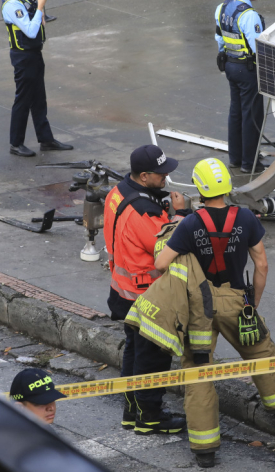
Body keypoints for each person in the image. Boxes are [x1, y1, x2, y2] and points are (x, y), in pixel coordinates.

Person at [154, 158, 275, 468]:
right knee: (260, 350)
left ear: (199, 189)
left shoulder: (189, 224)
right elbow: (262, 265)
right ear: (227, 185)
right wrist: (252, 304)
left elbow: (161, 264)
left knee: (198, 369)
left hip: (199, 306)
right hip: (235, 299)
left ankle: (205, 450)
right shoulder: (246, 218)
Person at [104, 144, 188, 435]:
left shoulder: (117, 193)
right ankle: (150, 416)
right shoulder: (145, 212)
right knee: (152, 357)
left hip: (122, 289)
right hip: (146, 294)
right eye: (161, 174)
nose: (166, 177)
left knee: (134, 352)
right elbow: (166, 252)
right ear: (143, 176)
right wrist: (178, 216)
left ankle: (132, 410)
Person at [1, 0, 75, 156]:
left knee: (39, 98)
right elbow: (31, 31)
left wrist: (38, 10)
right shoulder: (13, 4)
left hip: (33, 54)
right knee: (23, 100)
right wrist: (40, 7)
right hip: (23, 57)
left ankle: (46, 139)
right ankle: (15, 143)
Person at [215, 0, 266, 173]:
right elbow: (257, 48)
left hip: (230, 65)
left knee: (235, 112)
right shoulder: (249, 15)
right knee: (251, 114)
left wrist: (223, 56)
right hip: (247, 69)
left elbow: (219, 38)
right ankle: (250, 163)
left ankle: (235, 158)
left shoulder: (222, 8)